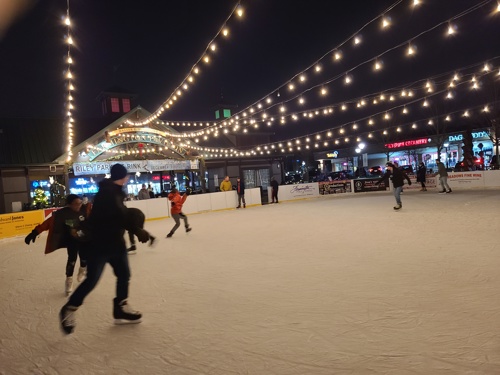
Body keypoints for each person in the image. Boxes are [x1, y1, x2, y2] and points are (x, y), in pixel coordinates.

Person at [59, 164, 149, 335]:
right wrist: (136, 229)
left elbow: (119, 215)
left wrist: (134, 227)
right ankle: (69, 309)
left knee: (124, 274)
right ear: (123, 177)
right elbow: (115, 216)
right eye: (127, 176)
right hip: (100, 244)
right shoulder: (108, 193)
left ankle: (120, 308)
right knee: (92, 279)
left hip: (115, 243)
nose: (128, 179)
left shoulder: (114, 191)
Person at [25, 194, 90, 295]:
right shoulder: (62, 214)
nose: (78, 206)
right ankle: (69, 280)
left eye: (80, 203)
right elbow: (47, 223)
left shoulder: (85, 210)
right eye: (75, 204)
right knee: (72, 260)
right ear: (69, 204)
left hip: (85, 239)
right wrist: (35, 232)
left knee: (84, 257)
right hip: (72, 240)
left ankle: (82, 269)